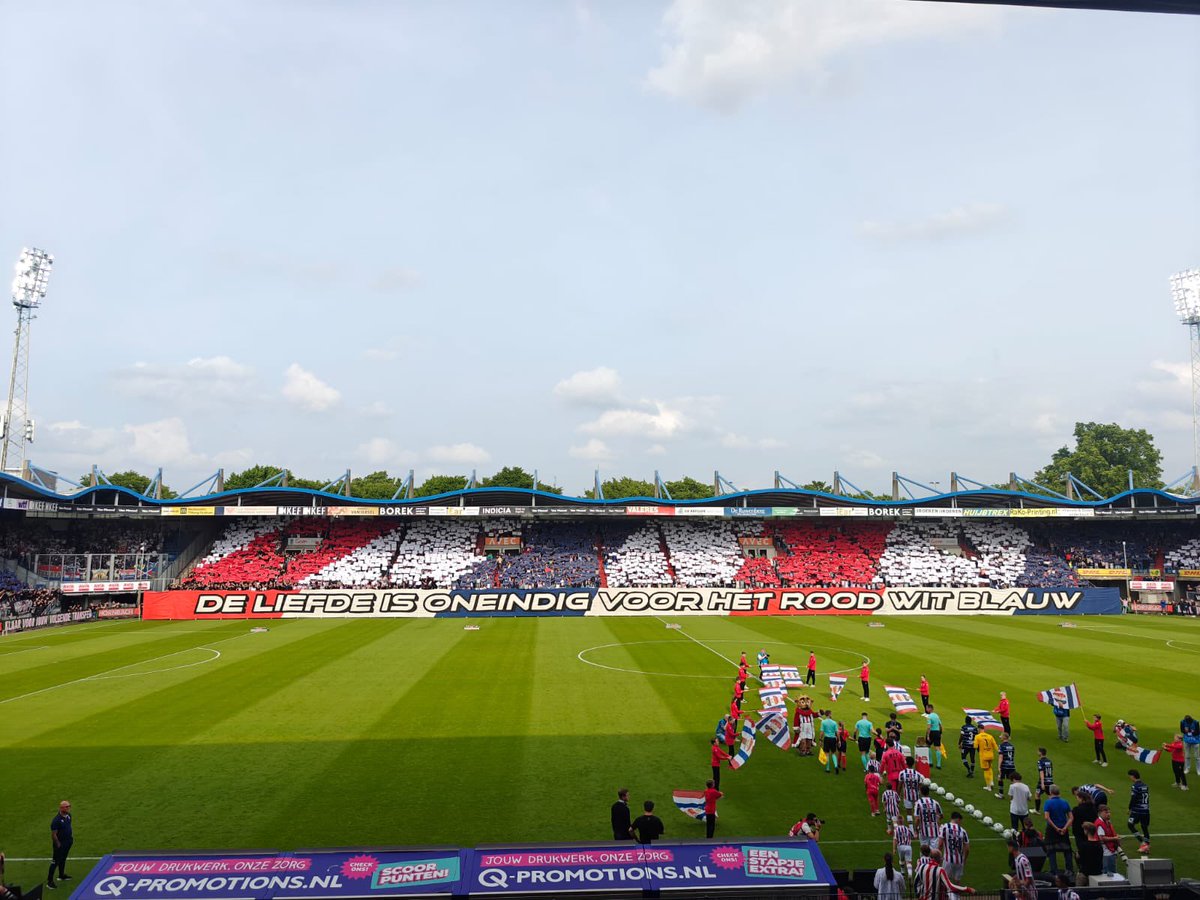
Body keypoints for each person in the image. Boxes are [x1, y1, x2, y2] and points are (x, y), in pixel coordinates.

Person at [1042, 785, 1073, 875]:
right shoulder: (1065, 802)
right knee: (1067, 850)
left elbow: (1047, 817)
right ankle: (1069, 870)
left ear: (1050, 792)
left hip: (1052, 830)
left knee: (1051, 850)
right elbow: (1071, 817)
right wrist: (1065, 828)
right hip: (1063, 829)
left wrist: (1056, 828)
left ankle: (1054, 870)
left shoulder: (1048, 802)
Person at [937, 810, 970, 883]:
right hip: (959, 861)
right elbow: (967, 849)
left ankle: (945, 894)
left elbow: (940, 844)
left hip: (948, 859)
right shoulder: (963, 831)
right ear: (958, 819)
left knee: (944, 880)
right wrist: (964, 860)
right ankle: (956, 894)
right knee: (957, 881)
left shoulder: (945, 827)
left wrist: (939, 857)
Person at [47, 801, 72, 890]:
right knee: (55, 862)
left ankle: (61, 875)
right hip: (60, 844)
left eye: (69, 806)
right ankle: (49, 881)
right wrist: (58, 844)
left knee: (63, 859)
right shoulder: (56, 820)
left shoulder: (69, 816)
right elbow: (54, 834)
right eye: (67, 807)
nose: (69, 808)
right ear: (61, 808)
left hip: (68, 842)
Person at [913, 784, 943, 851]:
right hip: (935, 830)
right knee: (934, 851)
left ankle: (924, 861)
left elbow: (917, 818)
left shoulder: (918, 803)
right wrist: (936, 819)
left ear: (920, 792)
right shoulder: (935, 803)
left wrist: (915, 830)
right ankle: (933, 861)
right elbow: (941, 815)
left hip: (923, 831)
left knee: (924, 850)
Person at [1127, 768, 1151, 853]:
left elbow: (1133, 798)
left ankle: (1142, 843)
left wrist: (1129, 808)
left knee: (1130, 825)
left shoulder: (1135, 786)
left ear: (1133, 776)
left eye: (1130, 776)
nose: (1130, 778)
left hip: (1138, 810)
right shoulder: (1145, 785)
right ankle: (1146, 846)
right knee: (1144, 827)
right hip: (1146, 810)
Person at [1094, 805, 1122, 876]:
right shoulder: (1100, 823)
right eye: (1106, 812)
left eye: (1109, 812)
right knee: (1108, 872)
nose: (1108, 814)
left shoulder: (1106, 822)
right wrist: (1115, 838)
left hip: (1109, 850)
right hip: (1106, 852)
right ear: (1100, 813)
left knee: (1111, 871)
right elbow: (1102, 838)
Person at [974, 727, 998, 792]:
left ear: (979, 729)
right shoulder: (990, 736)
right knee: (990, 768)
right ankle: (991, 781)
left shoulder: (977, 736)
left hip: (984, 756)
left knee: (986, 770)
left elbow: (975, 746)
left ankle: (988, 787)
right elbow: (995, 745)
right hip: (991, 755)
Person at [996, 733, 1017, 798]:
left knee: (1000, 778)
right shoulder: (1012, 746)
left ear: (1004, 737)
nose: (1000, 738)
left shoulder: (1001, 746)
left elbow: (1001, 757)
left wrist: (999, 766)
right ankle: (1013, 797)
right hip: (1011, 765)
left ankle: (1001, 794)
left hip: (1004, 765)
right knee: (1012, 780)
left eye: (1001, 736)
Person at [1035, 747, 1055, 812]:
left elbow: (1041, 772)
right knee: (1050, 796)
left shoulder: (1040, 761)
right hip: (1050, 780)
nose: (1037, 752)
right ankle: (1053, 811)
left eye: (1038, 751)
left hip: (1043, 781)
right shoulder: (1049, 761)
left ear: (1040, 753)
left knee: (1037, 794)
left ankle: (1037, 810)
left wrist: (1042, 783)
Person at [926, 705, 944, 770]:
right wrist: (940, 733)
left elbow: (929, 727)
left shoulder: (929, 716)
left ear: (930, 709)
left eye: (927, 708)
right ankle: (938, 764)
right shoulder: (937, 715)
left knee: (928, 746)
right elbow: (941, 725)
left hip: (932, 732)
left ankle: (930, 762)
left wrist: (928, 735)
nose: (926, 709)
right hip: (937, 732)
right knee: (937, 748)